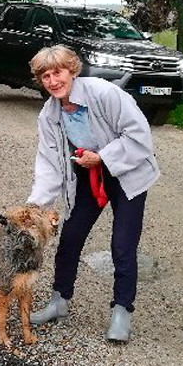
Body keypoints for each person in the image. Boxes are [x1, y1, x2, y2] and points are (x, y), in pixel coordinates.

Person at [26, 44, 160, 342]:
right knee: (70, 237)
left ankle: (122, 311)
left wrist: (102, 157)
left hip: (127, 173)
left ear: (72, 70)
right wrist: (36, 206)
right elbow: (49, 163)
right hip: (90, 176)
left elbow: (139, 135)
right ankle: (59, 301)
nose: (53, 81)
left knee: (122, 246)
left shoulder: (104, 94)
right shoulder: (49, 114)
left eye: (57, 72)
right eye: (45, 76)